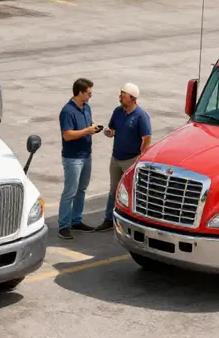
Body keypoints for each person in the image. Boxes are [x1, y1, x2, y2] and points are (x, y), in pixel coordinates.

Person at [96, 83, 151, 231]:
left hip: (131, 160)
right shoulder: (118, 112)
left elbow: (146, 138)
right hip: (116, 159)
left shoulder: (141, 116)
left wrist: (141, 158)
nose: (120, 98)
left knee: (132, 191)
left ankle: (134, 221)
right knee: (113, 190)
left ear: (132, 98)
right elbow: (112, 128)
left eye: (123, 96)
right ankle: (108, 219)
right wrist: (109, 132)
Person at [57, 78, 100, 240]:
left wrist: (93, 128)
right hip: (73, 158)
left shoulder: (86, 108)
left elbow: (87, 125)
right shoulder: (67, 111)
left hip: (86, 155)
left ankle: (76, 220)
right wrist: (86, 131)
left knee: (81, 189)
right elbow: (67, 135)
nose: (90, 96)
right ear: (80, 93)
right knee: (70, 191)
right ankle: (63, 225)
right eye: (89, 93)